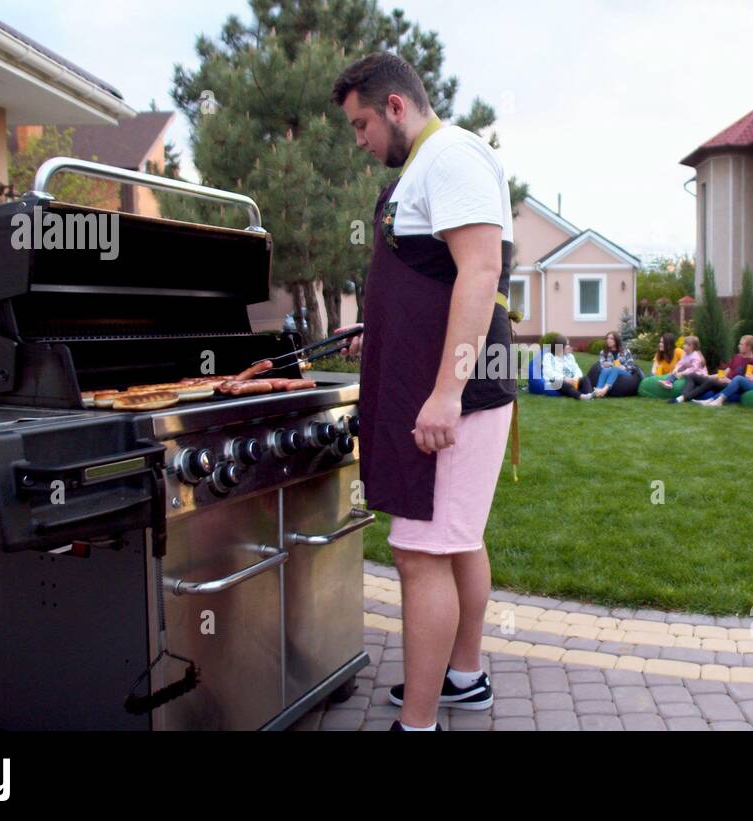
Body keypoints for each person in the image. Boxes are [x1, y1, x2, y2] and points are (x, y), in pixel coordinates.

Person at [333, 53, 517, 731]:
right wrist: (378, 323)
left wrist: (446, 392)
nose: (359, 141)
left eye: (360, 125)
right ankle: (463, 678)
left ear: (396, 107)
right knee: (456, 539)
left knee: (419, 551)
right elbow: (429, 276)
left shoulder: (451, 157)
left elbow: (480, 269)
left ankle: (417, 724)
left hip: (454, 390)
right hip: (445, 379)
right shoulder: (425, 168)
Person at [675, 334, 753, 404]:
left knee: (710, 382)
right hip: (722, 382)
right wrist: (707, 376)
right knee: (693, 375)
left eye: (741, 344)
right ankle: (683, 396)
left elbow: (745, 381)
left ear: (748, 347)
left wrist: (729, 381)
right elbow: (725, 372)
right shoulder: (737, 357)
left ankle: (685, 398)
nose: (738, 346)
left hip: (731, 386)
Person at [594, 331, 636, 398]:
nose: (608, 340)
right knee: (606, 370)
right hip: (610, 372)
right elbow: (602, 365)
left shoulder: (625, 351)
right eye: (607, 338)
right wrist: (612, 365)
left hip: (626, 374)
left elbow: (631, 366)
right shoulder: (603, 352)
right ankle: (598, 390)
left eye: (611, 339)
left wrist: (624, 367)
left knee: (615, 368)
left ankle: (604, 390)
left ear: (616, 340)